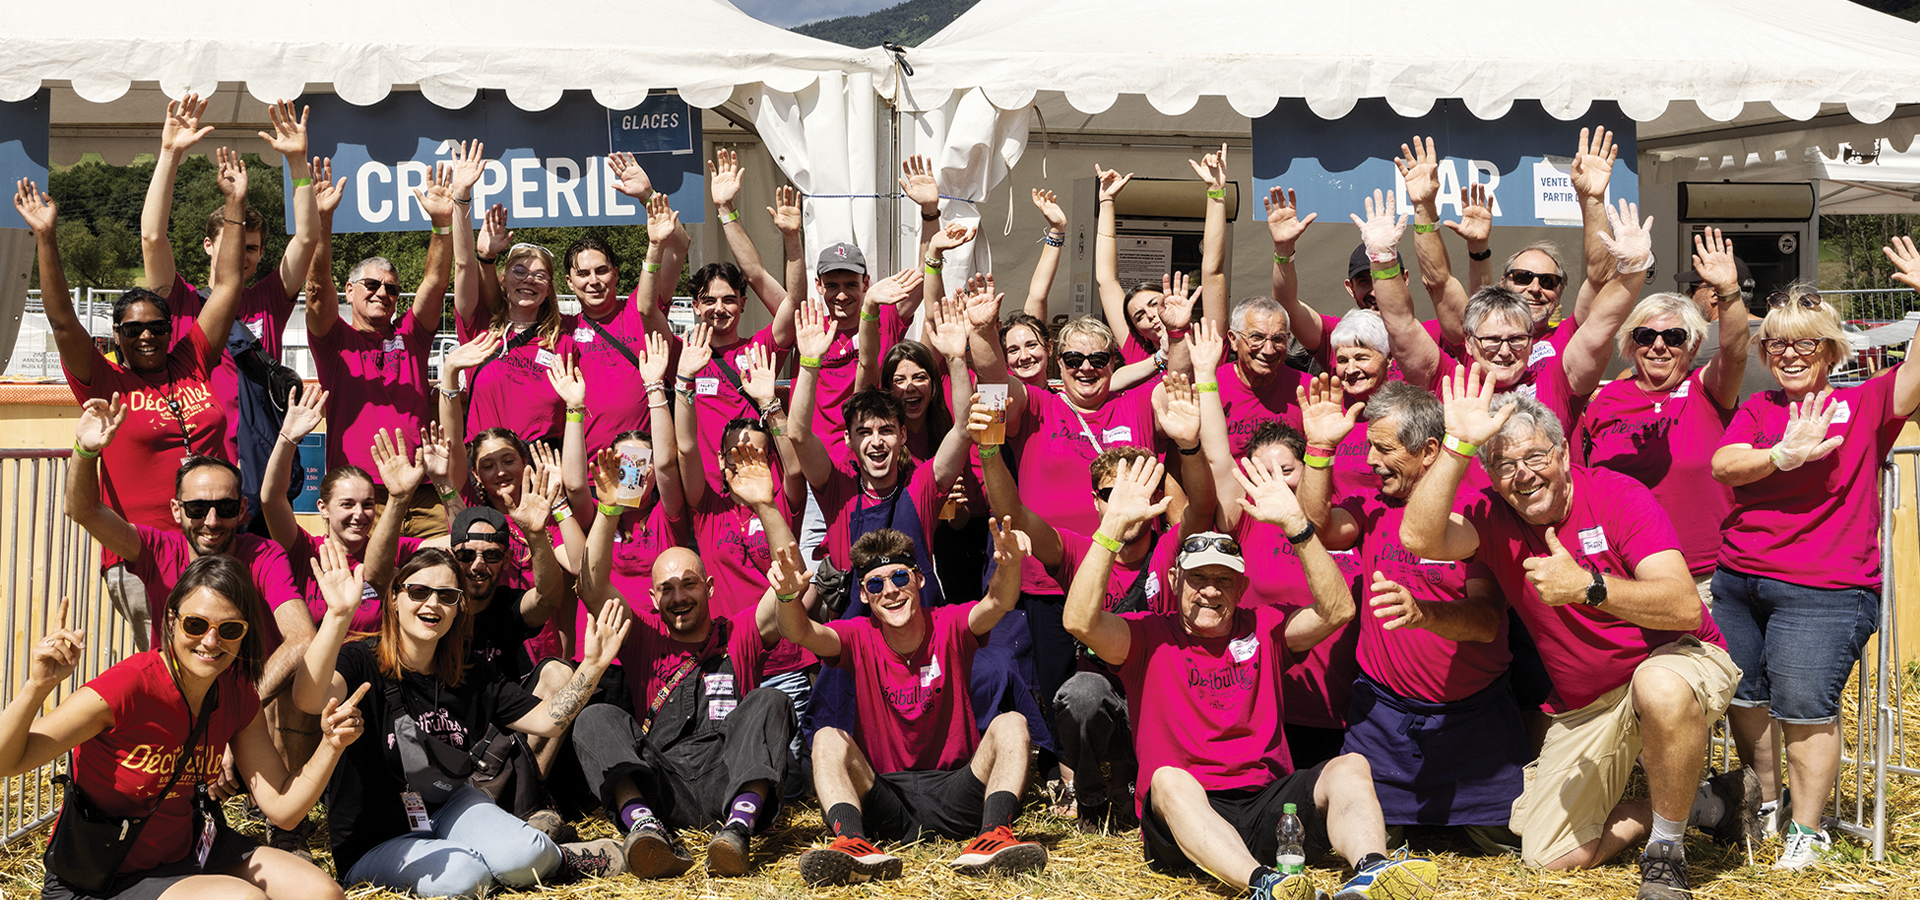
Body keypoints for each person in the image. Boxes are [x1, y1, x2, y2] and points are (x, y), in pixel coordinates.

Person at [1401, 366, 1760, 900]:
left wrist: (1588, 587)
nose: (1523, 475)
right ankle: (1714, 803)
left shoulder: (1617, 494)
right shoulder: (1491, 516)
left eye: (1535, 457)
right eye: (1504, 466)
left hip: (1679, 659)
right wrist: (1457, 447)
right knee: (1548, 856)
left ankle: (1665, 854)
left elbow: (1685, 607)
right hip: (1590, 702)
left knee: (1657, 685)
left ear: (1565, 455)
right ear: (1491, 478)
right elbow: (1419, 537)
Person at [1064, 453, 1436, 900]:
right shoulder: (1146, 636)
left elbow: (1338, 609)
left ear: (1241, 587)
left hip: (1267, 804)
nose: (1210, 590)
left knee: (1350, 766)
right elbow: (1079, 621)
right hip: (1188, 815)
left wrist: (1298, 527)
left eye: (1224, 580)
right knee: (1167, 780)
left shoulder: (1265, 627)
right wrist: (1110, 530)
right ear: (1175, 580)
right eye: (1198, 578)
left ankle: (1371, 871)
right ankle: (1264, 884)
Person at [1710, 248, 1920, 868]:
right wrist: (1782, 455)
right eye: (1777, 344)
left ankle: (1807, 830)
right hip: (1739, 580)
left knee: (1804, 706)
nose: (1790, 355)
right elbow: (1723, 465)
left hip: (1825, 589)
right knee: (1744, 697)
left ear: (1829, 350)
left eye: (1805, 343)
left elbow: (1915, 374)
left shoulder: (1866, 402)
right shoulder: (1760, 409)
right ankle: (1766, 804)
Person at [4, 565, 364, 900]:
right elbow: (8, 762)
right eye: (196, 625)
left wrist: (331, 745)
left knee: (321, 893)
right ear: (171, 620)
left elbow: (283, 809)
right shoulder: (127, 688)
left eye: (229, 630)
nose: (211, 641)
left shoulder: (236, 696)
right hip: (104, 874)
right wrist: (37, 687)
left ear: (244, 635)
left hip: (188, 852)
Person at [296, 544, 630, 895]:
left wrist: (593, 666)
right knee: (463, 876)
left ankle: (562, 858)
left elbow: (547, 721)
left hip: (450, 806)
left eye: (447, 596)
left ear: (458, 608)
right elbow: (308, 698)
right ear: (394, 598)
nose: (432, 603)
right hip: (376, 838)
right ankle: (495, 859)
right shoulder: (360, 661)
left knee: (523, 857)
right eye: (419, 591)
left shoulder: (468, 671)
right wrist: (337, 615)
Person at [19, 150, 250, 650]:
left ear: (171, 330)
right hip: (145, 554)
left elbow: (229, 285)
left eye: (157, 327)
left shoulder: (192, 359)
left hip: (215, 542)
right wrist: (46, 237)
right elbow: (62, 321)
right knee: (168, 667)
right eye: (133, 329)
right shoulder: (103, 381)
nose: (146, 336)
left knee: (227, 663)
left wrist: (234, 204)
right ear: (117, 336)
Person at [969, 376, 1213, 831]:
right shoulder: (1077, 550)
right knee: (1078, 694)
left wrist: (1190, 446)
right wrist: (988, 452)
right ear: (1095, 503)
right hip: (1105, 697)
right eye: (1109, 495)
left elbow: (1201, 508)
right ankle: (1093, 791)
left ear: (1155, 499)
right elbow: (1014, 514)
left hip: (1161, 700)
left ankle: (1132, 785)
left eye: (1134, 494)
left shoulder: (1170, 548)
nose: (1123, 505)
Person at [1294, 376, 1526, 853]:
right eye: (1370, 447)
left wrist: (1425, 615)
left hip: (1474, 724)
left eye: (1384, 449)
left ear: (1429, 452)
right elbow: (1316, 525)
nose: (1371, 460)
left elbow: (1487, 621)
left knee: (1518, 845)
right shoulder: (1375, 505)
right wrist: (1318, 449)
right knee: (1359, 839)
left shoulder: (1475, 513)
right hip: (1383, 722)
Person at [765, 524, 1049, 885]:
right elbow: (800, 632)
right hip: (887, 799)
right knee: (826, 738)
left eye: (900, 577)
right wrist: (787, 597)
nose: (890, 591)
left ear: (919, 579)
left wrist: (1008, 565)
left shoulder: (949, 623)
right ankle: (852, 842)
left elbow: (998, 603)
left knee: (1011, 723)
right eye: (875, 584)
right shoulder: (858, 635)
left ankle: (993, 836)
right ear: (864, 595)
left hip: (957, 793)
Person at [570, 537, 794, 878]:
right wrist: (609, 511)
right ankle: (645, 830)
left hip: (729, 781)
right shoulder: (642, 635)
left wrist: (766, 510)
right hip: (664, 791)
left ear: (709, 587)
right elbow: (591, 586)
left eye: (689, 584)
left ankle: (738, 830)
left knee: (771, 699)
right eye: (666, 589)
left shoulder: (741, 631)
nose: (678, 597)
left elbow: (788, 581)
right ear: (653, 598)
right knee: (594, 717)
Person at [137, 94, 321, 464]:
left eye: (251, 248)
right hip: (197, 465)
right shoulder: (181, 300)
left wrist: (297, 162)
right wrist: (170, 154)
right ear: (208, 245)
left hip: (259, 465)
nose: (241, 255)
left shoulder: (269, 300)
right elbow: (153, 237)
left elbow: (306, 238)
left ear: (261, 253)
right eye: (232, 244)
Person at [1575, 229, 1751, 606]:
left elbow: (1736, 351)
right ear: (1630, 342)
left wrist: (1729, 292)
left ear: (1693, 345)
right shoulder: (1605, 400)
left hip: (1706, 576)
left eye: (1673, 337)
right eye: (1645, 336)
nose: (1658, 346)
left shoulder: (1707, 390)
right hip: (1624, 573)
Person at [306, 144, 462, 538]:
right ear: (349, 291)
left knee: (443, 568)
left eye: (391, 288)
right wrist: (322, 221)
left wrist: (441, 225)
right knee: (367, 576)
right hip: (361, 494)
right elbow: (316, 289)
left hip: (423, 490)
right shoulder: (334, 340)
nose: (382, 293)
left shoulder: (411, 335)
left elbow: (434, 282)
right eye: (371, 285)